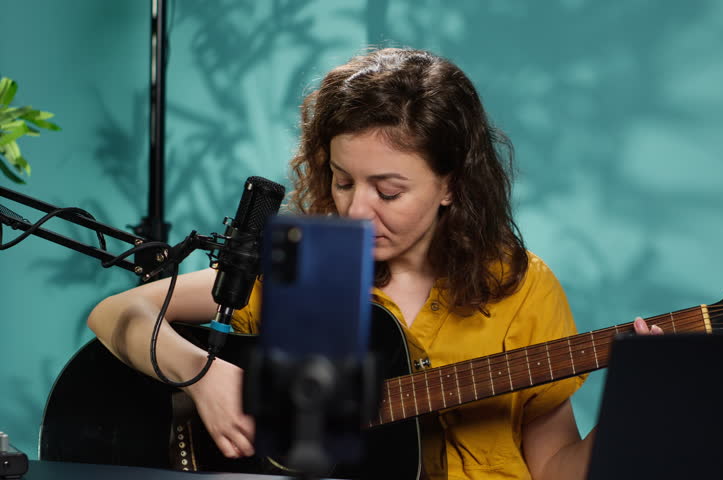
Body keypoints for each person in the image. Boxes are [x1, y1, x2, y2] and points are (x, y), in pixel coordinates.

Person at [88, 47, 661, 480]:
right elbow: (118, 312)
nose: (356, 210)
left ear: (451, 185)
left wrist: (632, 412)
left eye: (388, 191)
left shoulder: (522, 286)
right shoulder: (303, 269)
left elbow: (555, 468)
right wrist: (203, 375)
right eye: (343, 182)